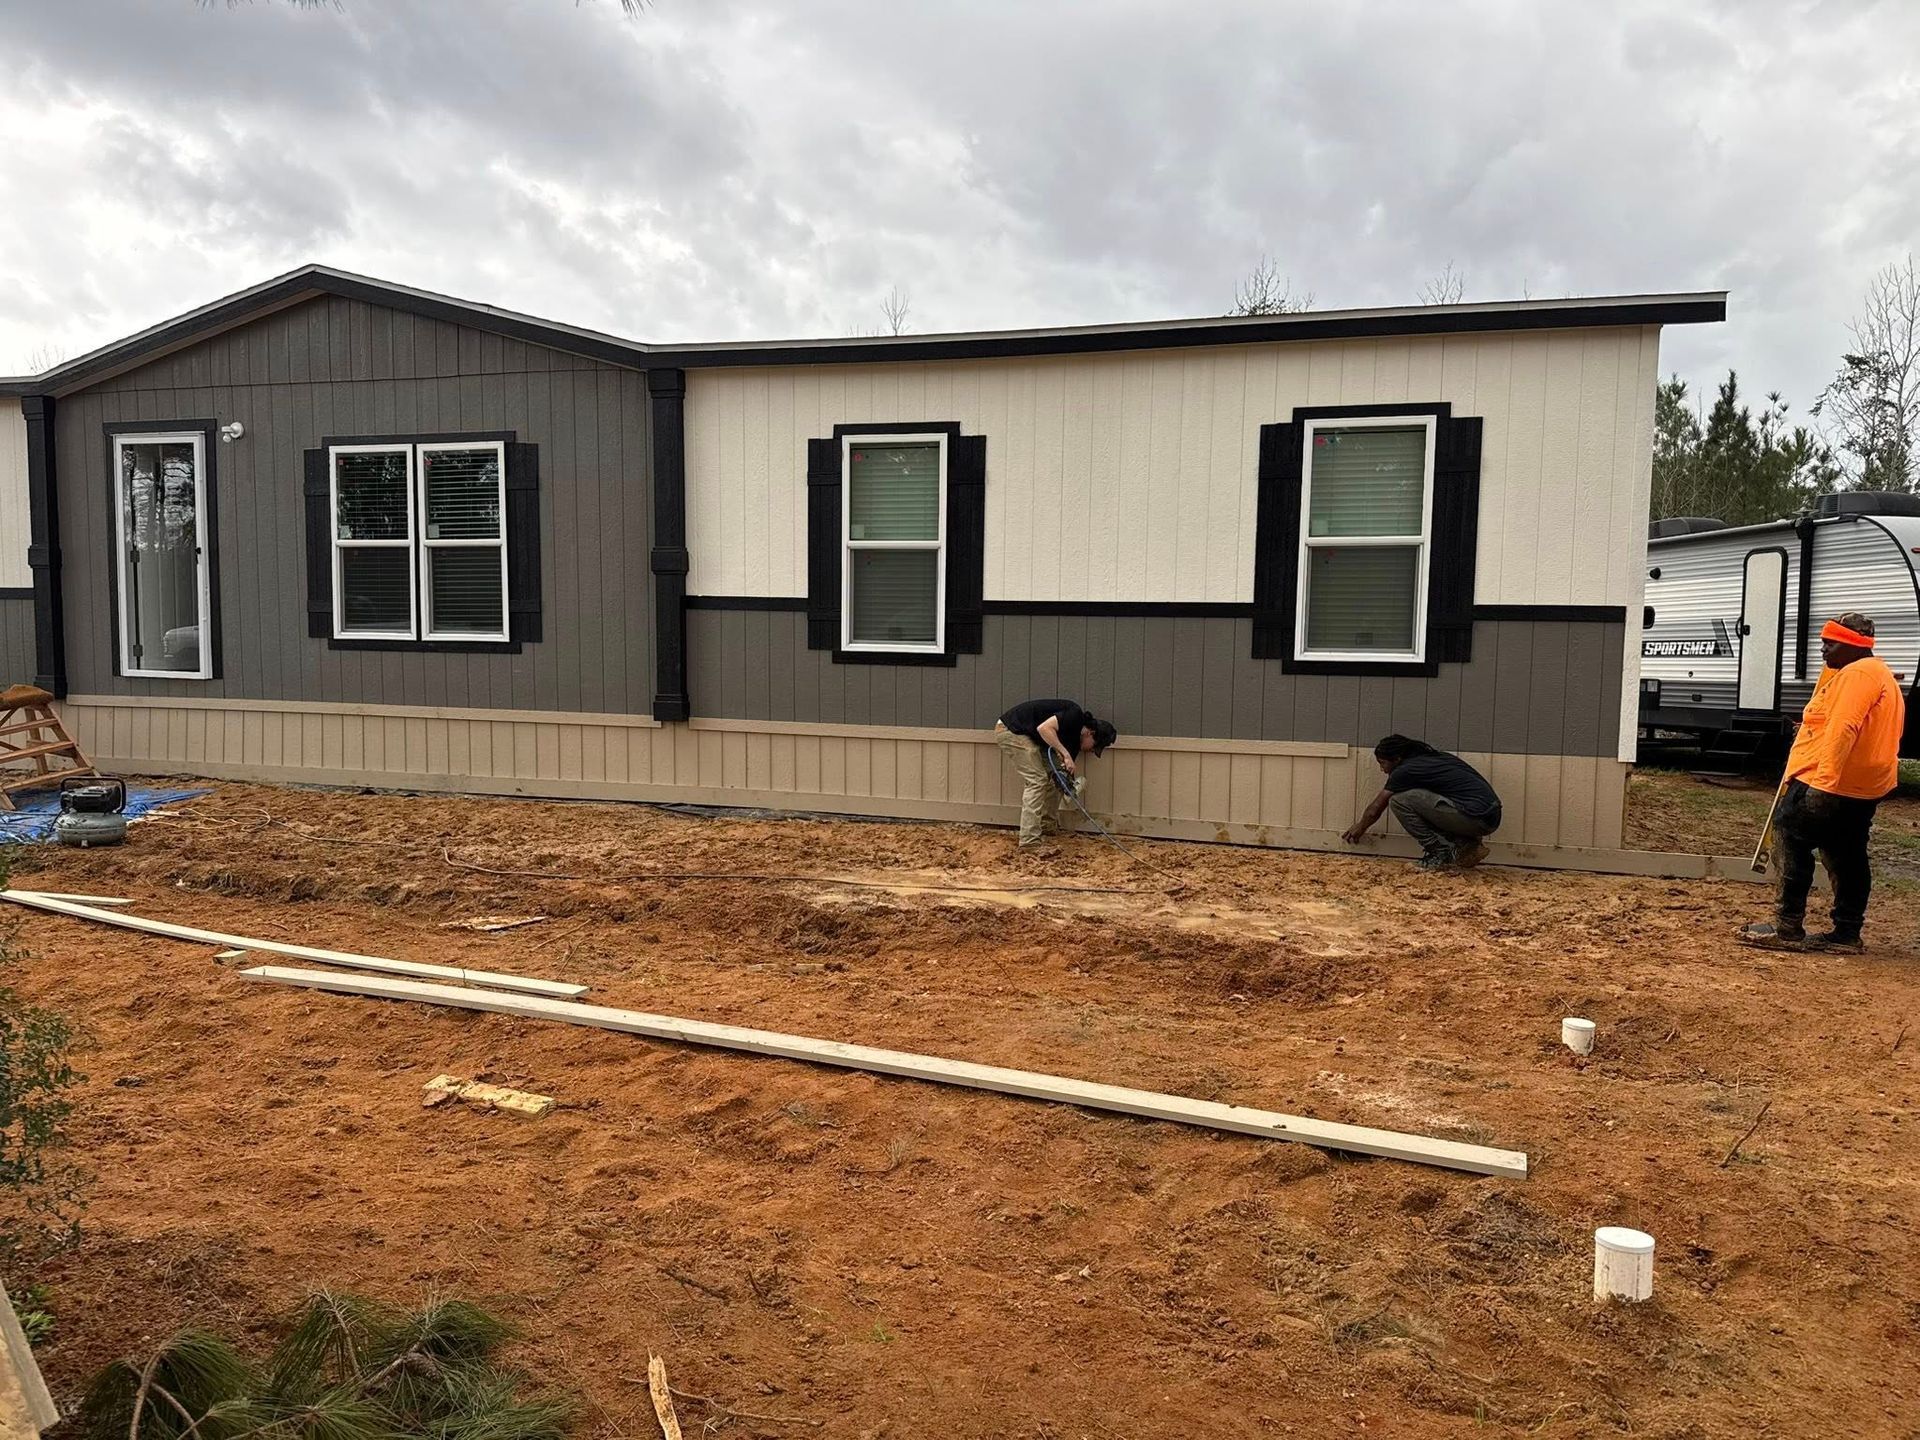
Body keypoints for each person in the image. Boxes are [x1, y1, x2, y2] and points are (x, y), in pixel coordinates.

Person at [1738, 612, 1905, 954]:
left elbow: (1845, 728)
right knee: (1846, 851)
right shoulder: (1873, 672)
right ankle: (1846, 934)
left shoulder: (1858, 675)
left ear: (1853, 644)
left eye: (1830, 643)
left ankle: (1787, 927)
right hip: (1862, 783)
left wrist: (1823, 784)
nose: (1823, 649)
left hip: (1831, 780)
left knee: (1789, 835)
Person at [1342, 734, 1503, 871]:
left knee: (1400, 801)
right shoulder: (1434, 759)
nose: (1382, 769)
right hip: (1489, 817)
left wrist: (1360, 826)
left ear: (1397, 759)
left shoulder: (1405, 771)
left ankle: (1438, 853)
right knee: (1421, 799)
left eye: (1383, 763)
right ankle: (1466, 844)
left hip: (1475, 818)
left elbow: (1376, 808)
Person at [994, 698, 1118, 848]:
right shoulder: (1074, 715)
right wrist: (1065, 755)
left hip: (1031, 738)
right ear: (1090, 733)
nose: (1092, 751)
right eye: (1094, 747)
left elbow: (1064, 773)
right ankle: (1029, 840)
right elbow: (1044, 729)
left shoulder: (1074, 744)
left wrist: (1068, 784)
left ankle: (1047, 826)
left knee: (1057, 778)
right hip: (1011, 730)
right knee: (1037, 781)